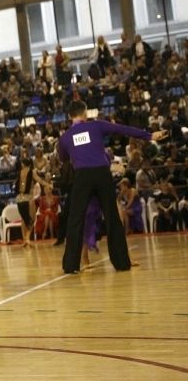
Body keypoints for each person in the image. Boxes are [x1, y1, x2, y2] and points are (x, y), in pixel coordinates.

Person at [57, 100, 167, 274]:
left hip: (82, 176)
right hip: (102, 174)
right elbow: (122, 129)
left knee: (75, 219)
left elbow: (62, 158)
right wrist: (149, 136)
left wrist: (77, 155)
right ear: (85, 113)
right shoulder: (96, 126)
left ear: (70, 116)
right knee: (112, 216)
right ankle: (122, 263)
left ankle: (71, 265)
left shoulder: (65, 137)